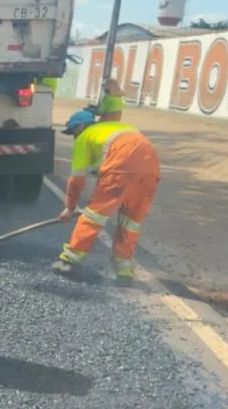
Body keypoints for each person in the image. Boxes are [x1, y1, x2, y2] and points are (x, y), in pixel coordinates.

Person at [53, 110, 161, 284]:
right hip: (150, 172)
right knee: (130, 223)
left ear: (80, 127)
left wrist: (70, 207)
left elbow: (77, 179)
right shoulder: (118, 128)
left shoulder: (85, 136)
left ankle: (68, 262)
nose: (74, 137)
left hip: (120, 171)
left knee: (92, 217)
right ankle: (124, 273)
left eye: (73, 132)